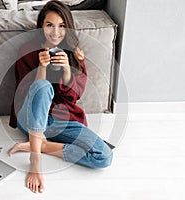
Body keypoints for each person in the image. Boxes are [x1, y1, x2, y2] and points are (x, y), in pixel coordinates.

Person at [8, 0, 113, 193]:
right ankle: (35, 158)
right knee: (43, 85)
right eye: (49, 25)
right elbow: (25, 92)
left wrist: (67, 69)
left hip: (60, 119)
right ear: (41, 26)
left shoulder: (74, 54)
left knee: (103, 156)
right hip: (30, 117)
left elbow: (74, 97)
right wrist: (41, 68)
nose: (55, 32)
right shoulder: (27, 51)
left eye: (62, 26)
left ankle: (40, 145)